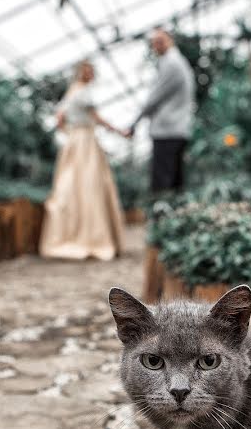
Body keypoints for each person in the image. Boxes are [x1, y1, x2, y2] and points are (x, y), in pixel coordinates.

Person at [39, 60, 127, 261]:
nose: (90, 74)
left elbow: (59, 118)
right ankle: (92, 237)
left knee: (70, 186)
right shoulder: (84, 92)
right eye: (88, 71)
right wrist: (119, 131)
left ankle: (69, 235)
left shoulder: (71, 92)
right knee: (89, 186)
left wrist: (69, 133)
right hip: (86, 141)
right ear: (82, 73)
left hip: (73, 142)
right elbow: (97, 118)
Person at [127, 28, 195, 192]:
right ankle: (176, 215)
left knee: (162, 185)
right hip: (178, 128)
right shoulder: (178, 62)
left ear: (170, 40)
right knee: (175, 182)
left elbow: (154, 98)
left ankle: (163, 216)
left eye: (160, 41)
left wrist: (133, 124)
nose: (156, 46)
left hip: (167, 130)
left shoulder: (171, 63)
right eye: (154, 43)